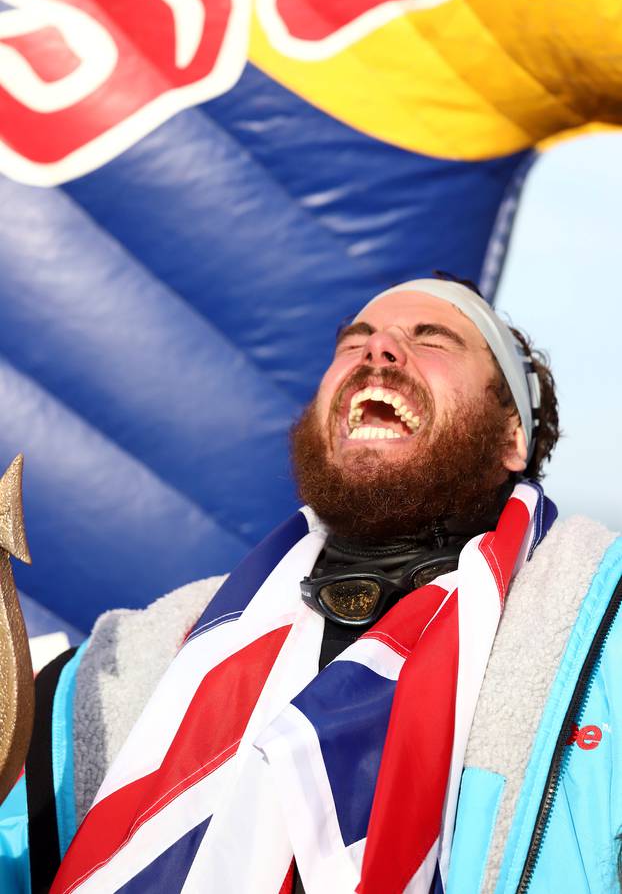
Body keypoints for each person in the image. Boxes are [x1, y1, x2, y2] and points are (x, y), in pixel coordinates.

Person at [6, 276, 622, 894]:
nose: (378, 350)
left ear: (512, 437)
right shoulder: (129, 663)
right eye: (355, 343)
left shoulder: (601, 638)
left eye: (431, 338)